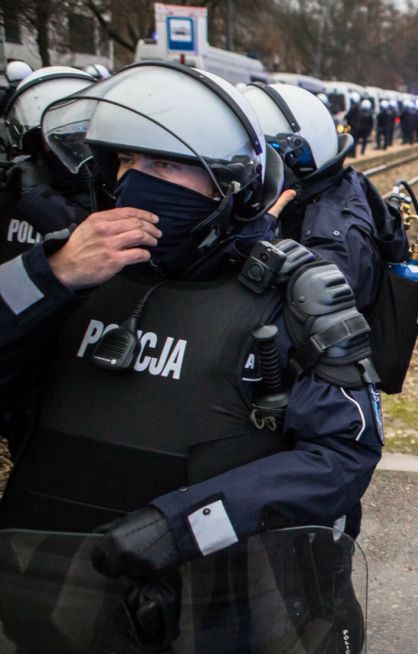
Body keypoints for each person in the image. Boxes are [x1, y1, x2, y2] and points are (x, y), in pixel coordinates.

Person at [0, 62, 382, 650]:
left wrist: (182, 525)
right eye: (125, 163)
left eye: (164, 164)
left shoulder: (294, 296)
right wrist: (49, 275)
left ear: (227, 183)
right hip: (46, 598)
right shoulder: (68, 273)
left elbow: (343, 455)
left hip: (211, 611)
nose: (135, 182)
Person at [242, 82, 412, 394]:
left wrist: (254, 242)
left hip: (310, 399)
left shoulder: (332, 235)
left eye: (259, 158)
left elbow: (287, 335)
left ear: (294, 161)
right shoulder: (324, 195)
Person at [1, 66, 97, 265]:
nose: (73, 149)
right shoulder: (14, 189)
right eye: (58, 139)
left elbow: (96, 240)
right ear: (37, 144)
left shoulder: (113, 189)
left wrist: (39, 200)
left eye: (80, 137)